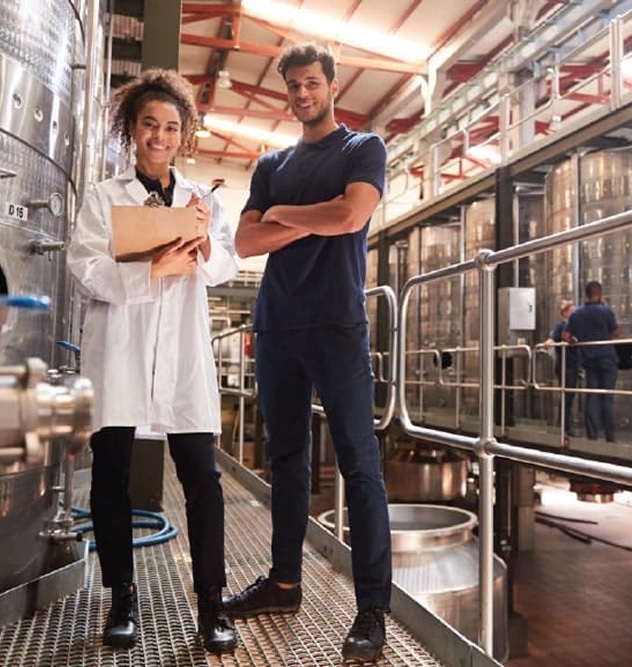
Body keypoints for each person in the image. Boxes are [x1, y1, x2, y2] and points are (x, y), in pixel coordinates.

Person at [221, 43, 392, 664]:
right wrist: (308, 218)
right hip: (277, 325)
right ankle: (284, 583)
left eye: (312, 83)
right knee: (286, 461)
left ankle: (372, 606)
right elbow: (243, 241)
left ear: (332, 85)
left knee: (359, 463)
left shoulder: (363, 149)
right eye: (292, 85)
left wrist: (285, 217)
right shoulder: (270, 164)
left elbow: (352, 216)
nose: (301, 93)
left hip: (338, 325)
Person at [67, 69, 239, 653]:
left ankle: (212, 603)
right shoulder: (103, 198)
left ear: (183, 134)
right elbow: (85, 269)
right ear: (131, 131)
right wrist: (150, 271)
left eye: (171, 127)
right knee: (111, 476)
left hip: (182, 361)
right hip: (119, 353)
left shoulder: (203, 201)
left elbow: (225, 267)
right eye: (149, 125)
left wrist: (205, 243)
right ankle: (122, 597)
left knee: (203, 481)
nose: (159, 136)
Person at [564, 281, 620, 442]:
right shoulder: (606, 311)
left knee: (592, 397)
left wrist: (576, 340)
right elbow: (616, 333)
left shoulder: (577, 314)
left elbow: (565, 337)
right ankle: (610, 437)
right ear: (600, 294)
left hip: (589, 359)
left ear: (587, 294)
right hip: (607, 359)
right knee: (607, 397)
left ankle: (592, 435)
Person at [544, 299, 579, 435]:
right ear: (564, 313)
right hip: (565, 365)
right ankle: (566, 426)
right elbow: (552, 338)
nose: (574, 314)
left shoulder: (576, 327)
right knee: (567, 396)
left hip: (574, 364)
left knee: (570, 395)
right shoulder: (561, 327)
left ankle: (566, 424)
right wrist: (549, 342)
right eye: (571, 311)